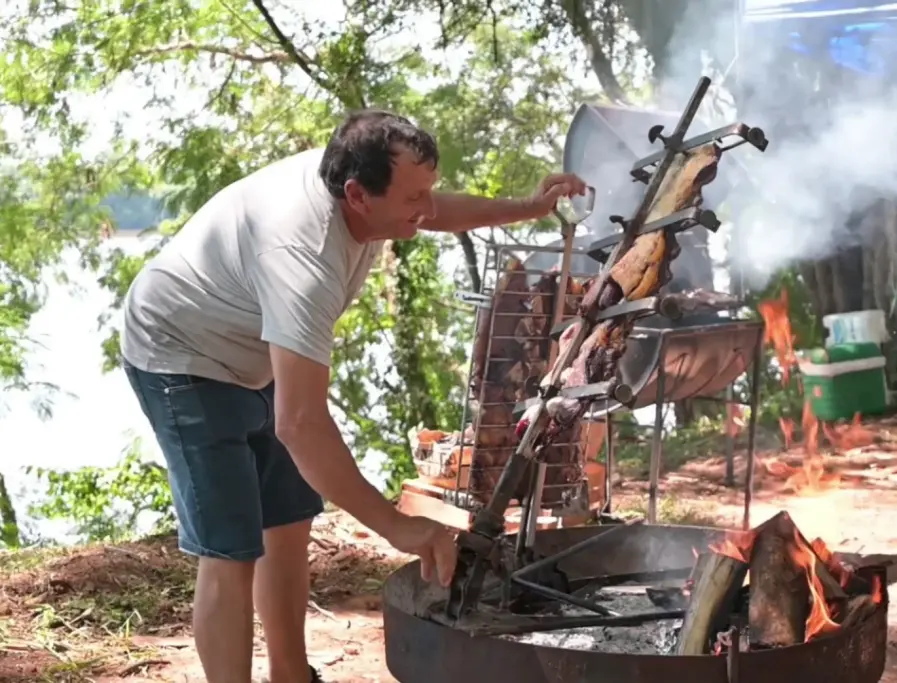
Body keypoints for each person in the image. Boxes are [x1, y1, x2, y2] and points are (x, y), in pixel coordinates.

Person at [119, 109, 586, 683]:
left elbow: (434, 211)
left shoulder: (364, 189)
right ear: (358, 195)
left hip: (256, 348)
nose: (427, 206)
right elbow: (299, 423)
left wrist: (528, 207)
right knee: (230, 549)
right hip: (181, 354)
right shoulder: (303, 257)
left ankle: (292, 675)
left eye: (428, 188)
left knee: (287, 519)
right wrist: (398, 525)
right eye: (414, 196)